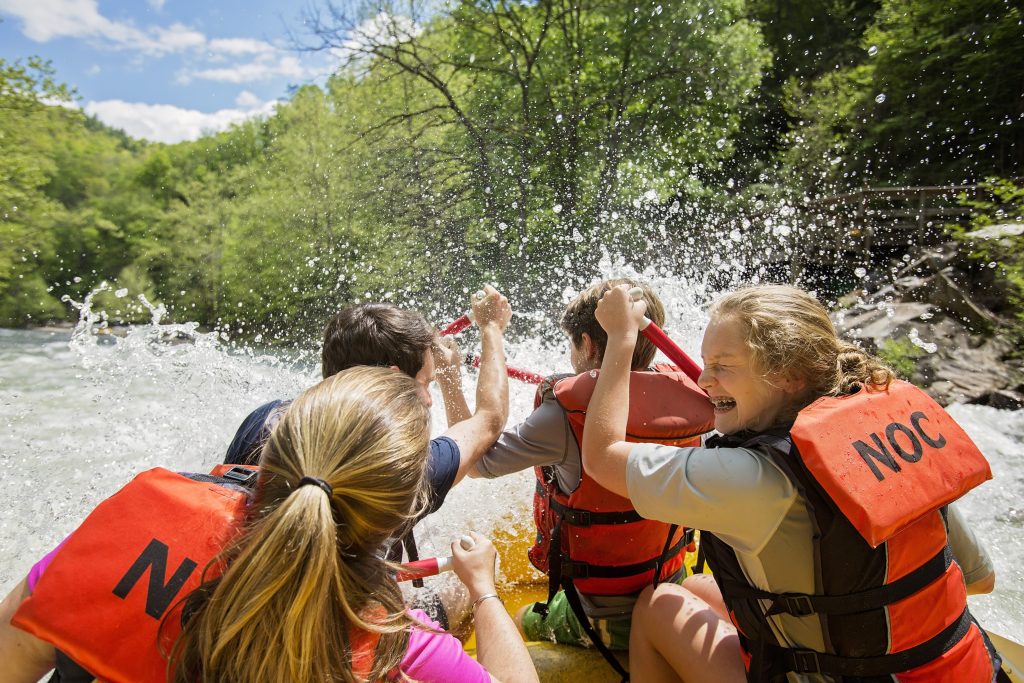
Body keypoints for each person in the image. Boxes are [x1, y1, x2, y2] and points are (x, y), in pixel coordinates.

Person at [0, 367, 540, 683]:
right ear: (402, 515)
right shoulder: (389, 635)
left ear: (271, 455)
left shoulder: (133, 526)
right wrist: (485, 591)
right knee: (463, 599)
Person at [581, 284, 1001, 682]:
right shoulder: (889, 441)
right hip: (965, 669)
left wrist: (621, 339)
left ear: (791, 376)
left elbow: (602, 458)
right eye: (706, 364)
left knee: (658, 604)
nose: (705, 381)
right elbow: (981, 579)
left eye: (722, 367)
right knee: (693, 586)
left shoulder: (752, 477)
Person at [470, 278, 714, 676]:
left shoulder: (563, 415)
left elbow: (477, 462)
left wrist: (449, 374)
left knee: (518, 619)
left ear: (587, 344)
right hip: (671, 581)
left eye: (573, 347)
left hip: (601, 611)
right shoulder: (697, 397)